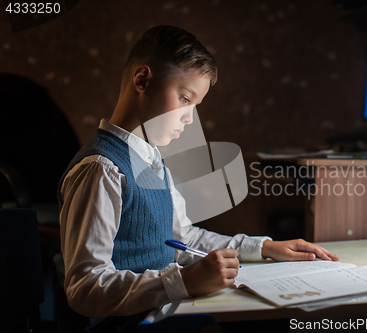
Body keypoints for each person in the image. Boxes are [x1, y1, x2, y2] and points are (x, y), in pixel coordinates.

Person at [57, 25, 339, 332]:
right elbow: (84, 288)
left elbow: (183, 239)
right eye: (184, 98)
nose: (190, 118)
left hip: (158, 313)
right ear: (142, 80)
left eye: (195, 106)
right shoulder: (102, 169)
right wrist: (183, 281)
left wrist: (264, 248)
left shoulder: (152, 161)